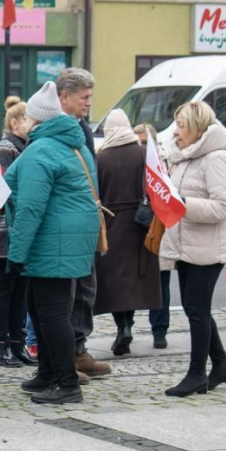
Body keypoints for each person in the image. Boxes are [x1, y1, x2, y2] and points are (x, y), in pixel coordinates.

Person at [5, 81, 100, 404]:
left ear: (36, 119)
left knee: (53, 313)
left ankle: (66, 384)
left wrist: (17, 255)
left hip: (51, 241)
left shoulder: (42, 149)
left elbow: (31, 207)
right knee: (41, 308)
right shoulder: (74, 144)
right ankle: (47, 373)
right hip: (69, 239)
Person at [160, 101, 226, 397]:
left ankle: (196, 374)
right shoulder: (184, 156)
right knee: (197, 308)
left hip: (207, 246)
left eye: (181, 125)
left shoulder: (215, 157)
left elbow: (224, 205)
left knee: (196, 309)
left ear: (196, 127)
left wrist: (182, 204)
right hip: (186, 243)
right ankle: (220, 364)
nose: (176, 131)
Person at [56, 68, 111, 379]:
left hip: (87, 218)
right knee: (66, 294)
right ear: (64, 97)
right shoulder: (53, 129)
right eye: (84, 97)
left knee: (86, 290)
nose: (89, 103)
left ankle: (78, 349)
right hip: (67, 223)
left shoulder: (82, 128)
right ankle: (63, 358)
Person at [94, 109, 162, 355]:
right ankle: (128, 325)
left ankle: (122, 325)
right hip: (140, 223)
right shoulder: (144, 153)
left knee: (115, 282)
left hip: (112, 223)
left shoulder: (100, 158)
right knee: (134, 280)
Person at [0, 96, 35, 367]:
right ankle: (3, 346)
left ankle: (19, 344)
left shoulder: (25, 146)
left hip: (21, 229)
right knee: (5, 289)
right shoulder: (6, 148)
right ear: (16, 122)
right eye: (28, 119)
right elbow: (0, 191)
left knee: (21, 290)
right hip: (6, 229)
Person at [136, 122, 171, 346]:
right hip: (137, 223)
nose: (141, 147)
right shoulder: (133, 159)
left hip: (159, 224)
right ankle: (125, 328)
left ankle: (159, 330)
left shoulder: (164, 160)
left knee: (161, 281)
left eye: (144, 142)